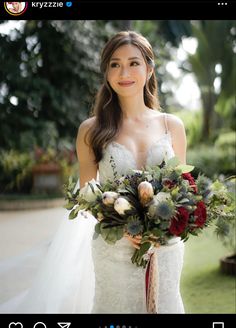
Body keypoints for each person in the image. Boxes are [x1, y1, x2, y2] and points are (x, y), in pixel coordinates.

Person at [0, 31, 186, 314]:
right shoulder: (91, 130)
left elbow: (182, 188)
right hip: (115, 248)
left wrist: (165, 227)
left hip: (166, 247)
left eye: (133, 63)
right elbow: (89, 195)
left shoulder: (172, 126)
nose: (124, 71)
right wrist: (125, 229)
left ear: (149, 69)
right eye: (115, 64)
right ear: (106, 72)